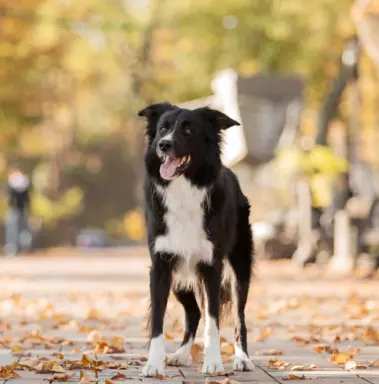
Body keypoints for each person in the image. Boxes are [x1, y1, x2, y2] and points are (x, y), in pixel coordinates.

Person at [4, 168, 32, 256]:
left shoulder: (13, 183)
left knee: (14, 230)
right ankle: (21, 247)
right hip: (21, 209)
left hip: (15, 209)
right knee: (21, 229)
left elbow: (9, 197)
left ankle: (14, 248)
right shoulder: (24, 183)